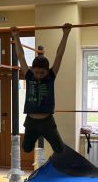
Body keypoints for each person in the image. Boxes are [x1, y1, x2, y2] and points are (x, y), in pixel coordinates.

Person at [11, 23, 72, 155]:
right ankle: (34, 136)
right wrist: (16, 36)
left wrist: (66, 34)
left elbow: (59, 55)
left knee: (60, 149)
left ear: (47, 71)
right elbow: (21, 56)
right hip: (31, 121)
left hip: (47, 121)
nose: (38, 75)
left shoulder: (51, 76)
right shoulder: (29, 75)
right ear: (32, 69)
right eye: (36, 72)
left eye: (42, 73)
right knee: (26, 149)